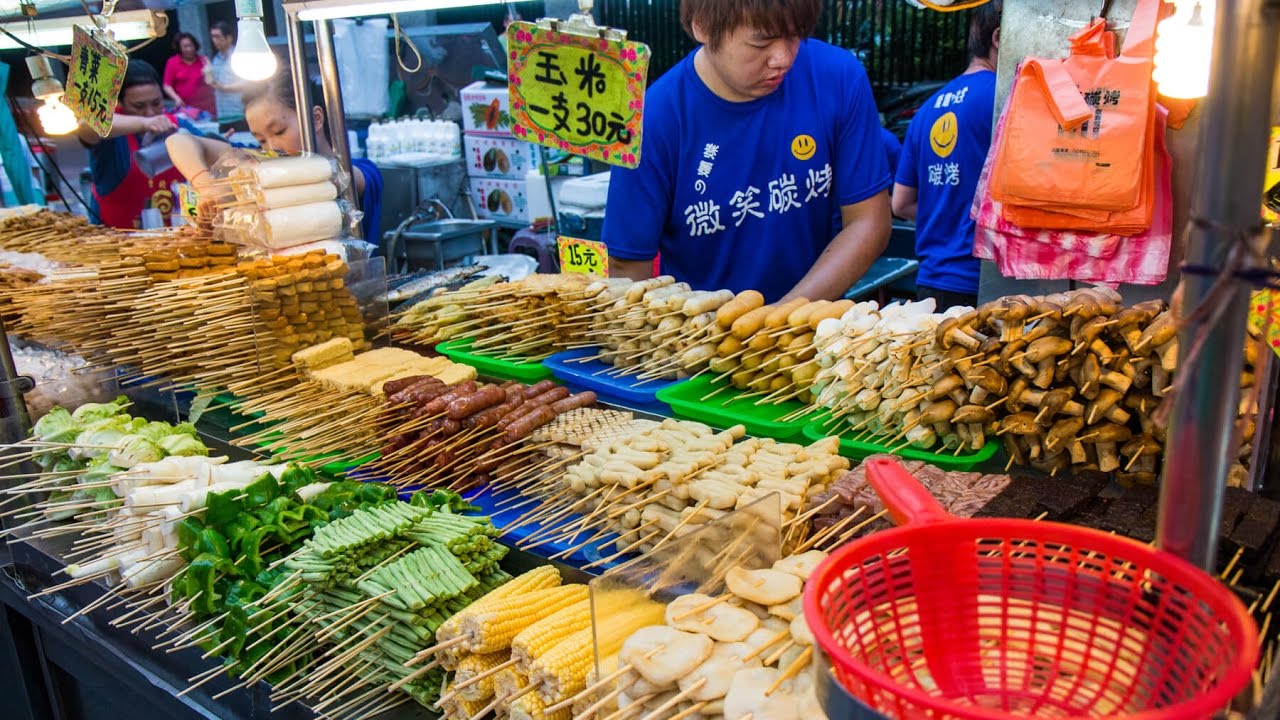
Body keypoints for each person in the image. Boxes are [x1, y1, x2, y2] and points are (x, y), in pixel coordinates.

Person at [602, 0, 892, 303]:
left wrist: (780, 317)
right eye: (761, 42)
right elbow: (627, 268)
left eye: (796, 36)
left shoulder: (838, 77)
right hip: (703, 339)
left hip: (815, 328)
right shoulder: (654, 120)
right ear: (701, 25)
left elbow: (868, 221)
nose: (783, 59)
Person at [165, 75, 383, 240]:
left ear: (316, 119)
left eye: (279, 131)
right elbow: (179, 141)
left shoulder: (363, 171)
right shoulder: (262, 161)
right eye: (260, 140)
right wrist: (206, 186)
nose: (271, 147)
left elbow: (335, 176)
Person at [891, 1, 1001, 310]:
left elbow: (900, 203)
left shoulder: (927, 109)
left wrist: (947, 212)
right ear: (998, 38)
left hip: (931, 283)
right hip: (984, 282)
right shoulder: (1004, 97)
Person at [80, 59, 204, 229]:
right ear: (119, 104)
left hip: (177, 241)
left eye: (156, 103)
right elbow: (87, 126)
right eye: (139, 106)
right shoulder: (111, 137)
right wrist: (144, 123)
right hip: (120, 248)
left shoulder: (176, 126)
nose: (150, 112)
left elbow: (215, 150)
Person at [163, 32, 216, 118]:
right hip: (187, 108)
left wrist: (209, 69)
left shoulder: (203, 60)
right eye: (185, 46)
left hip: (208, 107)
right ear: (179, 48)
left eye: (191, 46)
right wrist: (176, 99)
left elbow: (213, 81)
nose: (189, 49)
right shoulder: (172, 62)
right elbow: (167, 86)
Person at [208, 21, 248, 125]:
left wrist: (224, 87)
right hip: (223, 114)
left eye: (218, 36)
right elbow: (215, 83)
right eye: (213, 36)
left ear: (229, 38)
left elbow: (247, 82)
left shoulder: (239, 56)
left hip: (239, 113)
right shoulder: (216, 58)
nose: (214, 40)